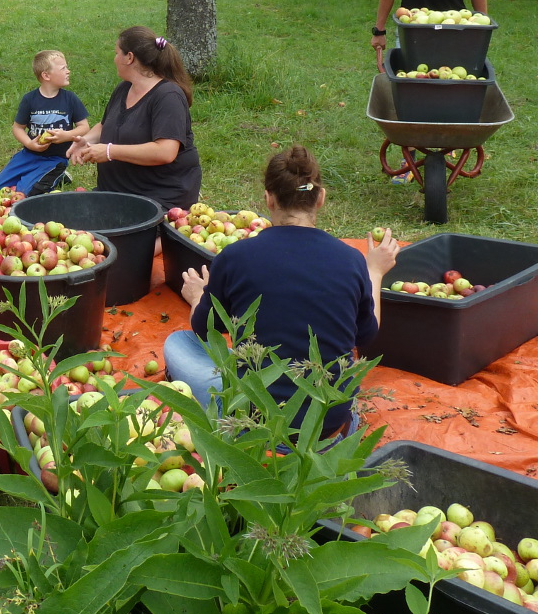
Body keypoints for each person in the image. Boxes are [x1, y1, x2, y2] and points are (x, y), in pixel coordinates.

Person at [162, 145, 400, 439]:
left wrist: (198, 296)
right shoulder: (351, 260)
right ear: (321, 198)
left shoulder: (236, 257)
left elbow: (204, 328)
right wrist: (374, 272)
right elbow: (366, 333)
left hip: (253, 421)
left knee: (179, 343)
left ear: (269, 198)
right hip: (327, 423)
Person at [67, 26, 201, 212]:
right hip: (116, 194)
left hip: (159, 199)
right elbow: (105, 124)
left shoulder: (168, 96)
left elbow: (165, 152)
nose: (114, 59)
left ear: (129, 57)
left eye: (116, 53)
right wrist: (86, 141)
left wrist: (109, 151)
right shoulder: (124, 88)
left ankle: (164, 239)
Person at [0, 50, 90, 196]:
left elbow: (84, 127)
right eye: (63, 68)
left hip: (55, 158)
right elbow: (18, 128)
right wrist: (30, 144)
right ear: (46, 75)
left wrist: (66, 135)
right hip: (28, 155)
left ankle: (58, 174)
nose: (68, 71)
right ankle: (52, 175)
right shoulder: (30, 99)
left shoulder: (70, 99)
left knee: (25, 193)